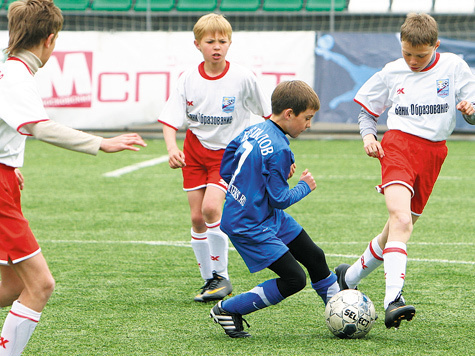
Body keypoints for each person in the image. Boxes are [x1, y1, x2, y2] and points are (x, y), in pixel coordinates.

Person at [0, 1, 147, 355]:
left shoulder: (9, 71)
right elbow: (38, 126)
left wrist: (9, 161)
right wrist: (101, 143)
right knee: (40, 284)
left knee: (10, 286)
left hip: (4, 178)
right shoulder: (17, 76)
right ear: (50, 39)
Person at [335, 13, 475, 330]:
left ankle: (350, 275)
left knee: (395, 229)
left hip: (434, 153)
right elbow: (367, 113)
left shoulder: (454, 67)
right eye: (406, 53)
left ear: (435, 46)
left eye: (420, 55)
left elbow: (473, 114)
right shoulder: (391, 72)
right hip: (397, 146)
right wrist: (369, 136)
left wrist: (470, 111)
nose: (412, 60)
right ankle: (392, 301)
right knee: (401, 220)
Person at [209, 80, 340, 338]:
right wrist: (304, 186)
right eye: (307, 118)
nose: (309, 125)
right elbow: (280, 198)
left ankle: (339, 308)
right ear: (289, 114)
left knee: (314, 256)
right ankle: (227, 309)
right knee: (294, 279)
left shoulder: (254, 129)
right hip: (249, 224)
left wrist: (264, 180)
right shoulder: (280, 148)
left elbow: (227, 168)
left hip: (263, 214)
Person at [158, 13, 271, 303]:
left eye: (222, 41)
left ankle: (221, 276)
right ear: (197, 44)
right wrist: (172, 148)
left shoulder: (243, 77)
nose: (216, 46)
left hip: (230, 153)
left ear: (230, 43)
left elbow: (268, 114)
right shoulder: (187, 79)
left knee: (211, 209)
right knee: (197, 218)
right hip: (195, 152)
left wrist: (276, 153)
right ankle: (210, 281)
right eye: (210, 41)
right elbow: (170, 120)